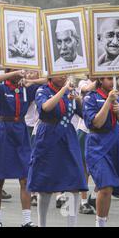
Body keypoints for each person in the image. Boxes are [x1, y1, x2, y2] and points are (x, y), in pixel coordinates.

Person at [0, 69, 46, 227]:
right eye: (17, 69)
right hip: (3, 131)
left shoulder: (26, 88)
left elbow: (47, 81)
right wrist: (13, 73)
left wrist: (31, 81)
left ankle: (26, 220)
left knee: (25, 179)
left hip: (21, 132)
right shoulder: (3, 87)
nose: (22, 72)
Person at [27, 76, 88, 227]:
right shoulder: (43, 90)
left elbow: (83, 114)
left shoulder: (71, 91)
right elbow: (46, 107)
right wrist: (63, 91)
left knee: (74, 183)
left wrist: (77, 98)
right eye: (59, 73)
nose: (63, 76)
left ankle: (71, 224)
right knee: (45, 185)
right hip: (48, 136)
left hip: (68, 137)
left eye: (65, 74)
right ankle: (42, 224)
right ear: (51, 75)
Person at [83, 77, 119, 227]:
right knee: (105, 185)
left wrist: (118, 113)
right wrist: (108, 102)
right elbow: (96, 123)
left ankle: (102, 221)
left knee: (109, 189)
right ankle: (100, 223)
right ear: (100, 79)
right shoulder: (91, 97)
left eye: (115, 78)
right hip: (97, 145)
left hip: (116, 145)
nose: (113, 81)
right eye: (109, 78)